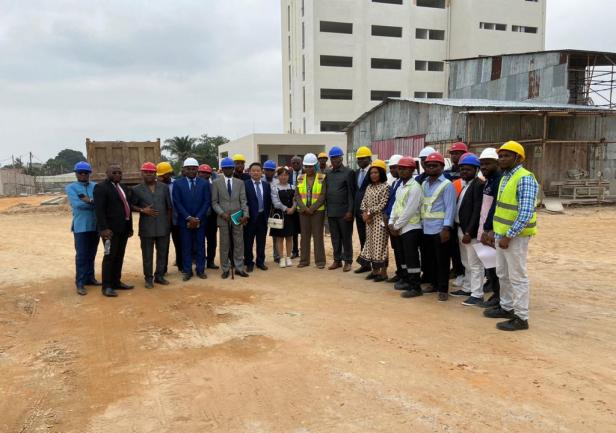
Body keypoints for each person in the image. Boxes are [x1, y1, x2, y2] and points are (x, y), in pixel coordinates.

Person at [484, 141, 538, 331]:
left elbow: (526, 212)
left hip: (515, 237)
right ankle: (506, 307)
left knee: (517, 276)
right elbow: (501, 209)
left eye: (507, 156)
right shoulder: (506, 177)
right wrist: (494, 232)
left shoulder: (524, 178)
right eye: (500, 156)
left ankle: (521, 317)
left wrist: (509, 236)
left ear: (518, 158)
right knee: (502, 273)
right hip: (502, 234)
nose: (502, 159)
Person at [449, 154, 485, 306]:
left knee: (475, 264)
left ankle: (477, 294)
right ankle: (467, 287)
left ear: (476, 170)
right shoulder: (466, 184)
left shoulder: (478, 185)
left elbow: (477, 211)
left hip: (470, 232)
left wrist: (469, 232)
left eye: (468, 169)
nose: (464, 172)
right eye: (462, 169)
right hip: (461, 228)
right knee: (466, 261)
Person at [93, 164, 134, 297]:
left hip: (123, 229)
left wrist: (130, 227)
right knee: (109, 257)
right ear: (107, 173)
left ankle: (116, 282)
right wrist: (104, 229)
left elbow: (127, 207)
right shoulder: (101, 187)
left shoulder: (123, 187)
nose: (117, 175)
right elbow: (99, 210)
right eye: (114, 172)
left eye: (119, 173)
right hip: (109, 231)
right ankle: (106, 286)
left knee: (119, 256)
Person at [420, 152, 456, 302]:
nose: (431, 168)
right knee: (430, 259)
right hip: (426, 228)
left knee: (442, 260)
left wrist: (446, 228)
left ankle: (443, 289)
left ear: (442, 167)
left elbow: (450, 208)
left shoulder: (447, 185)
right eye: (428, 166)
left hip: (440, 229)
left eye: (435, 166)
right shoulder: (424, 184)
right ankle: (433, 284)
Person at [131, 162, 172, 288]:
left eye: (151, 172)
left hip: (163, 226)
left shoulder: (164, 187)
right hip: (146, 227)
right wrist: (142, 210)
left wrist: (168, 224)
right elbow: (131, 206)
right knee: (147, 254)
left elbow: (169, 207)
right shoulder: (136, 189)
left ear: (155, 174)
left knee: (162, 253)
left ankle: (159, 276)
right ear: (142, 174)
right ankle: (148, 278)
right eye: (146, 172)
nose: (149, 174)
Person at [387, 157, 423, 298]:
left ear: (412, 170)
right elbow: (395, 206)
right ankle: (407, 281)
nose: (401, 171)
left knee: (412, 258)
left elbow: (410, 210)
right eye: (400, 168)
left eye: (405, 169)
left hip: (411, 227)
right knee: (404, 257)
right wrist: (391, 223)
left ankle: (416, 287)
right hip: (400, 228)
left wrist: (396, 226)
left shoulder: (415, 187)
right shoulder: (401, 186)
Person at [172, 158, 211, 281]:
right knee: (186, 247)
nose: (191, 171)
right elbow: (177, 202)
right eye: (188, 169)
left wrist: (197, 218)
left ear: (197, 169)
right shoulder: (178, 183)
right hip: (185, 222)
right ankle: (187, 271)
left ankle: (200, 270)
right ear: (184, 169)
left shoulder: (204, 183)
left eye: (194, 169)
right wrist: (188, 218)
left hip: (200, 221)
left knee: (200, 246)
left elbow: (207, 201)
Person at [211, 157, 250, 278]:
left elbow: (243, 200)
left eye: (230, 168)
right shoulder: (216, 183)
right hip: (223, 218)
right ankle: (225, 268)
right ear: (222, 169)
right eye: (225, 168)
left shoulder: (240, 183)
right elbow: (214, 202)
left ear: (233, 169)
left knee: (239, 243)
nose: (228, 170)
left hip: (237, 217)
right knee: (224, 244)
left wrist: (245, 215)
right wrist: (222, 213)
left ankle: (239, 268)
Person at [66, 161, 99, 296]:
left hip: (95, 225)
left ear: (89, 173)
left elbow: (100, 203)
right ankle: (80, 283)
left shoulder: (95, 186)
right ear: (76, 174)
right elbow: (77, 205)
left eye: (86, 173)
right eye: (80, 173)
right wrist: (93, 202)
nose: (83, 175)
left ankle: (90, 278)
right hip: (81, 227)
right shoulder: (71, 187)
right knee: (81, 255)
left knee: (92, 254)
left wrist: (88, 200)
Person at [357, 160, 391, 281]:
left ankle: (383, 273)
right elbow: (364, 202)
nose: (373, 175)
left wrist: (369, 212)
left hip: (380, 221)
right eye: (371, 173)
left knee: (381, 246)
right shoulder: (369, 187)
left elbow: (383, 204)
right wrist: (364, 213)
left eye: (376, 172)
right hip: (369, 221)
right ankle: (375, 271)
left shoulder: (386, 187)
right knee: (371, 244)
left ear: (381, 173)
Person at [477, 148, 502, 309]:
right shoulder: (489, 180)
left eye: (488, 163)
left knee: (496, 267)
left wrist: (489, 229)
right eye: (482, 164)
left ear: (496, 163)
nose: (484, 167)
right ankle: (495, 293)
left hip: (492, 230)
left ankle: (499, 297)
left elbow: (495, 207)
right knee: (490, 265)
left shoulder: (499, 180)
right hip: (484, 228)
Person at [324, 146, 355, 272]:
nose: (334, 160)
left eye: (336, 158)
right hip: (331, 212)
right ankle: (337, 260)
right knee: (335, 238)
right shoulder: (328, 173)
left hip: (344, 212)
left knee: (346, 238)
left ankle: (348, 261)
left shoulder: (349, 172)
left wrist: (350, 211)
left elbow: (351, 193)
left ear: (341, 158)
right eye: (332, 158)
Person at [294, 153, 327, 269]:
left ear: (315, 165)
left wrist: (312, 208)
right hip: (303, 212)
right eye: (306, 166)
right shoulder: (300, 178)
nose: (308, 169)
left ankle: (320, 261)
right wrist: (304, 208)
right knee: (304, 236)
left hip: (317, 212)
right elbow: (297, 195)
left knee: (318, 236)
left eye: (311, 166)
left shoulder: (321, 177)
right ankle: (304, 261)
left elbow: (322, 195)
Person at [445, 142, 468, 288]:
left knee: (467, 250)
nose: (454, 156)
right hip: (452, 214)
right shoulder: (447, 173)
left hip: (465, 216)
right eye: (452, 153)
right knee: (453, 247)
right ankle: (457, 270)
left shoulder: (471, 172)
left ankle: (467, 274)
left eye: (457, 153)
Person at [243, 162, 272, 272]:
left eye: (258, 171)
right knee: (248, 242)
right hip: (249, 218)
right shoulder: (245, 184)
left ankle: (260, 261)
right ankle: (249, 262)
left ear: (261, 172)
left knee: (261, 241)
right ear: (249, 172)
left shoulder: (266, 185)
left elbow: (268, 201)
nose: (256, 172)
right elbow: (243, 201)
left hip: (262, 217)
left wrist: (267, 215)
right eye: (253, 171)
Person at [270, 166, 297, 268]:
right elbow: (275, 202)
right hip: (280, 216)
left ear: (288, 176)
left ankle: (288, 257)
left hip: (291, 216)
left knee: (289, 237)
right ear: (278, 176)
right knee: (280, 238)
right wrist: (286, 209)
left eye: (285, 175)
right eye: (281, 175)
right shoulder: (274, 188)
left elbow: (296, 199)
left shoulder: (293, 187)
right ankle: (281, 258)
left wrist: (293, 208)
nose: (283, 177)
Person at [157, 162, 181, 274]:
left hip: (177, 219)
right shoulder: (157, 185)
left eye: (163, 175)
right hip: (163, 221)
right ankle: (163, 269)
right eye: (160, 175)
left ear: (169, 174)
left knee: (179, 243)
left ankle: (181, 265)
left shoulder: (176, 184)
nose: (161, 177)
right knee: (163, 246)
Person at [353, 146, 373, 273]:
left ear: (369, 159)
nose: (360, 161)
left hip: (370, 212)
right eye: (358, 159)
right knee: (362, 237)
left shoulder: (374, 172)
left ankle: (375, 264)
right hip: (358, 211)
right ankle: (365, 264)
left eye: (362, 158)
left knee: (372, 238)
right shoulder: (356, 173)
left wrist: (369, 211)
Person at [384, 154, 403, 282]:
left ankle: (404, 275)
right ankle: (399, 272)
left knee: (402, 251)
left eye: (394, 167)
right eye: (390, 168)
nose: (392, 170)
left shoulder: (404, 183)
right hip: (391, 222)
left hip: (399, 223)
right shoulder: (395, 182)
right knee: (396, 249)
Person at [198, 164, 219, 269]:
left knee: (212, 241)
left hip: (211, 218)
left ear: (210, 174)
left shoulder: (213, 186)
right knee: (199, 241)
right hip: (199, 217)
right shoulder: (195, 186)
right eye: (202, 172)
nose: (204, 175)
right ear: (198, 173)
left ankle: (210, 261)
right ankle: (200, 262)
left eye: (207, 173)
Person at [262, 159, 280, 263]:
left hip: (274, 211)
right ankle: (261, 257)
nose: (269, 172)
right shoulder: (259, 180)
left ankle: (277, 255)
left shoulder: (277, 182)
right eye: (267, 170)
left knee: (276, 235)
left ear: (274, 171)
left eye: (271, 170)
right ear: (264, 170)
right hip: (262, 212)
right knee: (261, 235)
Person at [288, 155, 303, 258]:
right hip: (292, 205)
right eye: (294, 163)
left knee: (303, 230)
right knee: (293, 230)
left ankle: (304, 250)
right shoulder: (288, 174)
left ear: (301, 163)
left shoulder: (306, 173)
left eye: (298, 163)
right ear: (291, 164)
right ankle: (295, 251)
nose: (296, 164)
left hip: (303, 205)